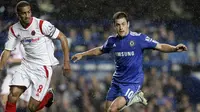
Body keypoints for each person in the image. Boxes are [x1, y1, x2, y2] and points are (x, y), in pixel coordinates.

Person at [71, 11, 187, 112]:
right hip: (117, 81)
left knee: (113, 109)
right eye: (118, 25)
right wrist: (83, 54)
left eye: (123, 24)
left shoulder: (139, 38)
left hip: (133, 82)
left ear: (128, 24)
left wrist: (175, 48)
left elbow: (160, 46)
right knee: (107, 109)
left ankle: (135, 95)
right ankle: (135, 98)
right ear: (114, 26)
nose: (121, 27)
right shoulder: (112, 40)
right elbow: (100, 50)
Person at [0, 1, 71, 112]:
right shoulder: (14, 29)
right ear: (18, 15)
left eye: (29, 12)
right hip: (26, 66)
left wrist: (66, 62)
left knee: (32, 108)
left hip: (42, 68)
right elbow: (7, 50)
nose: (27, 15)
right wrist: (0, 67)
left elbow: (63, 38)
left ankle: (48, 96)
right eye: (24, 13)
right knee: (12, 95)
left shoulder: (42, 25)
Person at [0, 42, 32, 109]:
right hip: (10, 74)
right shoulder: (9, 44)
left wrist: (13, 60)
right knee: (3, 96)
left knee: (26, 103)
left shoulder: (23, 43)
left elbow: (29, 59)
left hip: (22, 75)